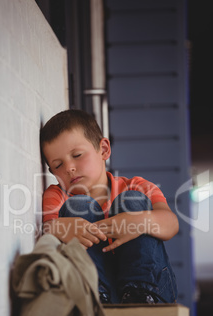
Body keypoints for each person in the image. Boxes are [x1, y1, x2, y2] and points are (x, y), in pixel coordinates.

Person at [40, 109, 179, 304]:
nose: (69, 168)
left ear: (104, 149)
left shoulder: (137, 186)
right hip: (93, 291)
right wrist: (62, 227)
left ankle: (141, 293)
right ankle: (95, 293)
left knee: (131, 200)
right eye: (58, 165)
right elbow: (46, 230)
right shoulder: (57, 195)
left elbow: (171, 224)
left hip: (151, 288)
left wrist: (141, 221)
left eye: (77, 155)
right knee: (79, 205)